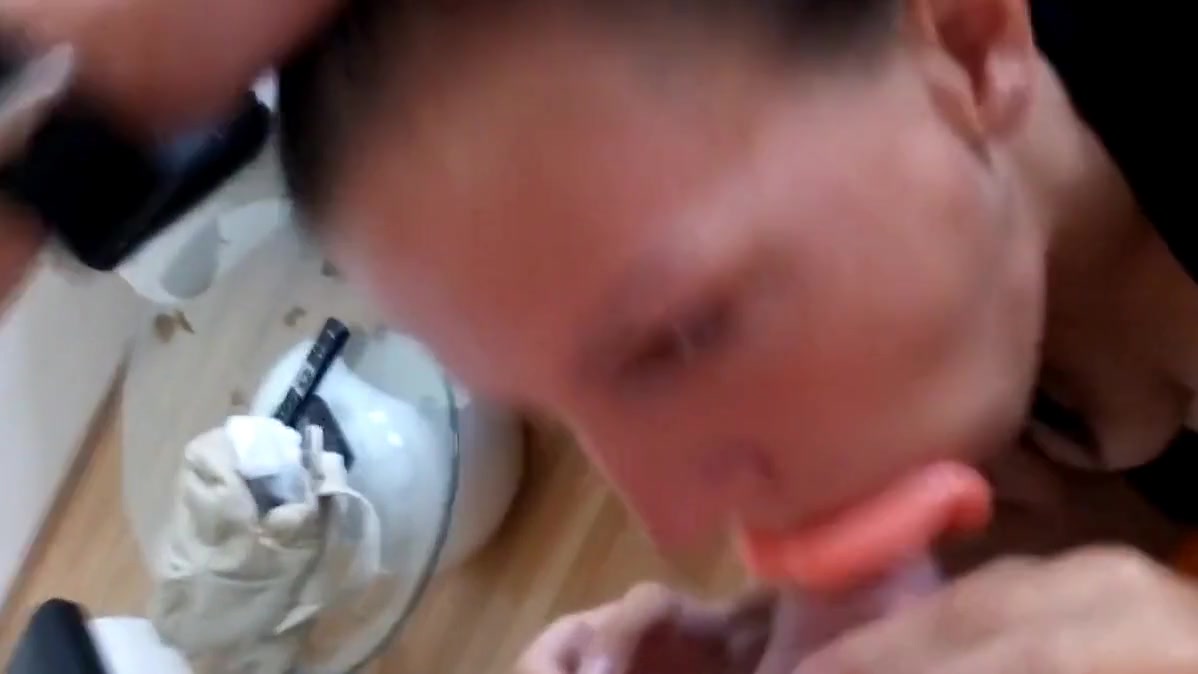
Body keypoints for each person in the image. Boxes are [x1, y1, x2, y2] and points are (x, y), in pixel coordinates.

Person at [1, 0, 1196, 672]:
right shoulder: (972, 329)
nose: (668, 516)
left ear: (969, 48)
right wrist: (792, 643)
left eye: (674, 340)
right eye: (563, 405)